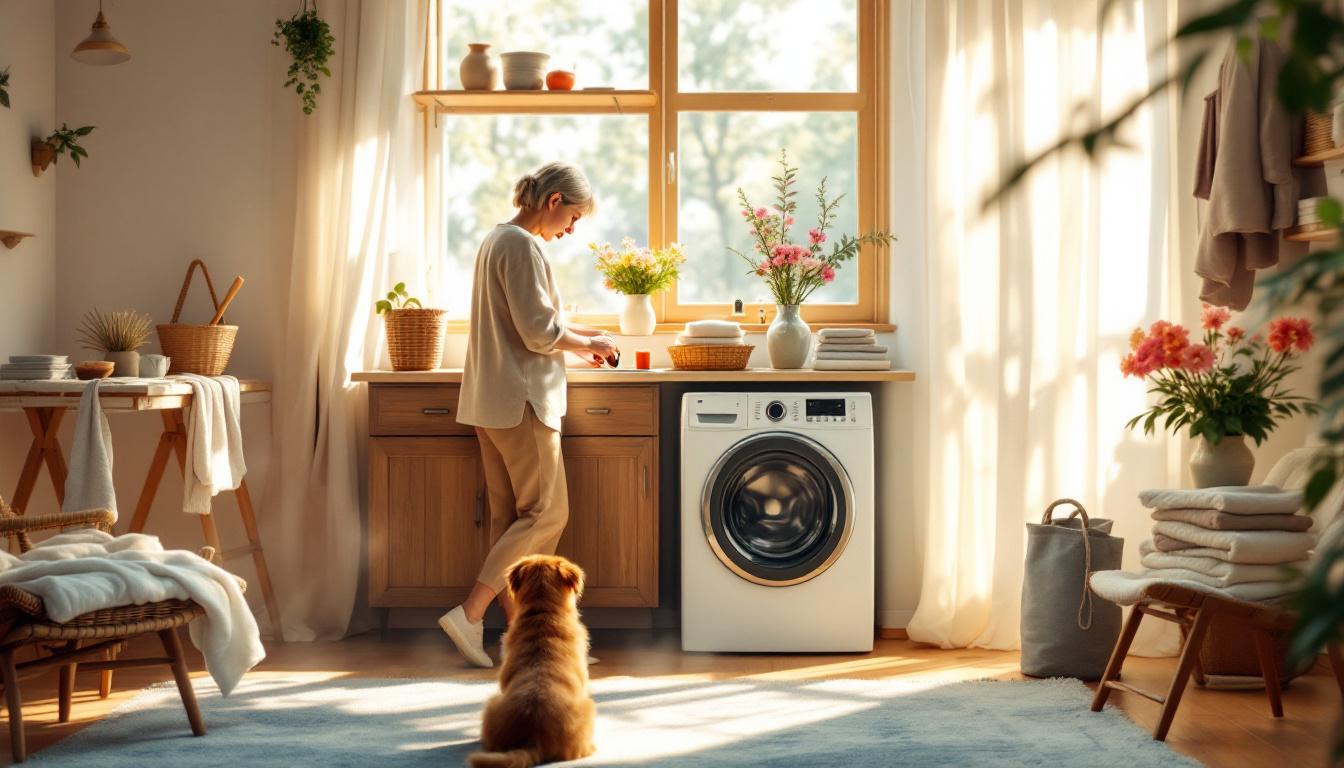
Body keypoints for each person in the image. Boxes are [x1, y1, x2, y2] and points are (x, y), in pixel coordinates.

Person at [439, 161, 619, 668]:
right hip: (522, 401)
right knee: (547, 514)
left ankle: (521, 638)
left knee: (510, 523)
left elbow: (529, 323)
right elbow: (539, 332)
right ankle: (470, 615)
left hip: (491, 401)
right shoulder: (523, 245)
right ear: (554, 201)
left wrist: (581, 343)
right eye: (574, 218)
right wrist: (589, 342)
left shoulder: (497, 240)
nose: (572, 230)